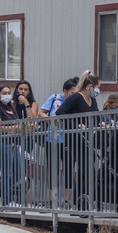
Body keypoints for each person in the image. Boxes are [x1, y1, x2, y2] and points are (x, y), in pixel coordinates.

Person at [56, 71, 101, 208]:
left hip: (88, 139)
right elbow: (60, 112)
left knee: (88, 169)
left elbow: (97, 116)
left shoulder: (92, 100)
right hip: (76, 138)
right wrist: (75, 125)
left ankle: (80, 200)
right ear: (90, 86)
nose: (98, 90)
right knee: (84, 169)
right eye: (97, 87)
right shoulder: (76, 97)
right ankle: (77, 201)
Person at [39, 77, 79, 205]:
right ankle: (52, 200)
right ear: (65, 91)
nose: (73, 95)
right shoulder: (55, 98)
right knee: (52, 169)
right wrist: (53, 120)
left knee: (68, 169)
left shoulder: (76, 102)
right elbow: (41, 113)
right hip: (52, 140)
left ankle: (67, 200)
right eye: (72, 93)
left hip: (68, 141)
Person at [0, 84, 23, 205]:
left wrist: (14, 128)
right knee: (6, 172)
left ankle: (1, 191)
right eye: (4, 93)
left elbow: (19, 125)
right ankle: (7, 200)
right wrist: (15, 127)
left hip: (14, 143)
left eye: (9, 92)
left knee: (18, 171)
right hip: (4, 143)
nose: (7, 95)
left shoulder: (12, 108)